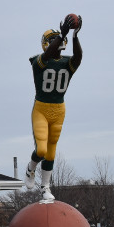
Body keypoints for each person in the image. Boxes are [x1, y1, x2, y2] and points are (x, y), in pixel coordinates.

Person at [24, 14, 82, 200]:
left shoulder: (67, 63)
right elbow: (48, 55)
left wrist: (74, 36)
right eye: (55, 40)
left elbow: (78, 57)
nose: (59, 42)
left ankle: (45, 187)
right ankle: (31, 168)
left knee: (51, 151)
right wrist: (61, 34)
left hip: (59, 109)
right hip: (41, 108)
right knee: (41, 150)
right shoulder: (39, 61)